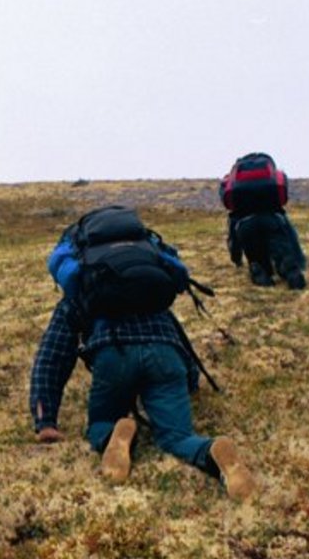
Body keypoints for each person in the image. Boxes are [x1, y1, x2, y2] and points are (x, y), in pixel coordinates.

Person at [29, 210, 256, 499]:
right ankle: (210, 451)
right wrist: (190, 380)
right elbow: (178, 336)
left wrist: (45, 419)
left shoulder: (83, 288)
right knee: (177, 436)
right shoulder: (149, 281)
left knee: (100, 422)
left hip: (113, 357)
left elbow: (53, 356)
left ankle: (115, 434)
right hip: (165, 354)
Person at [219, 152, 308, 290]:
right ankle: (290, 270)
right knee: (281, 252)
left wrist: (236, 259)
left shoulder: (234, 188)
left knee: (257, 257)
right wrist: (299, 259)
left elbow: (232, 235)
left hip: (245, 225)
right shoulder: (270, 183)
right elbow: (290, 232)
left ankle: (260, 271)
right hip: (272, 220)